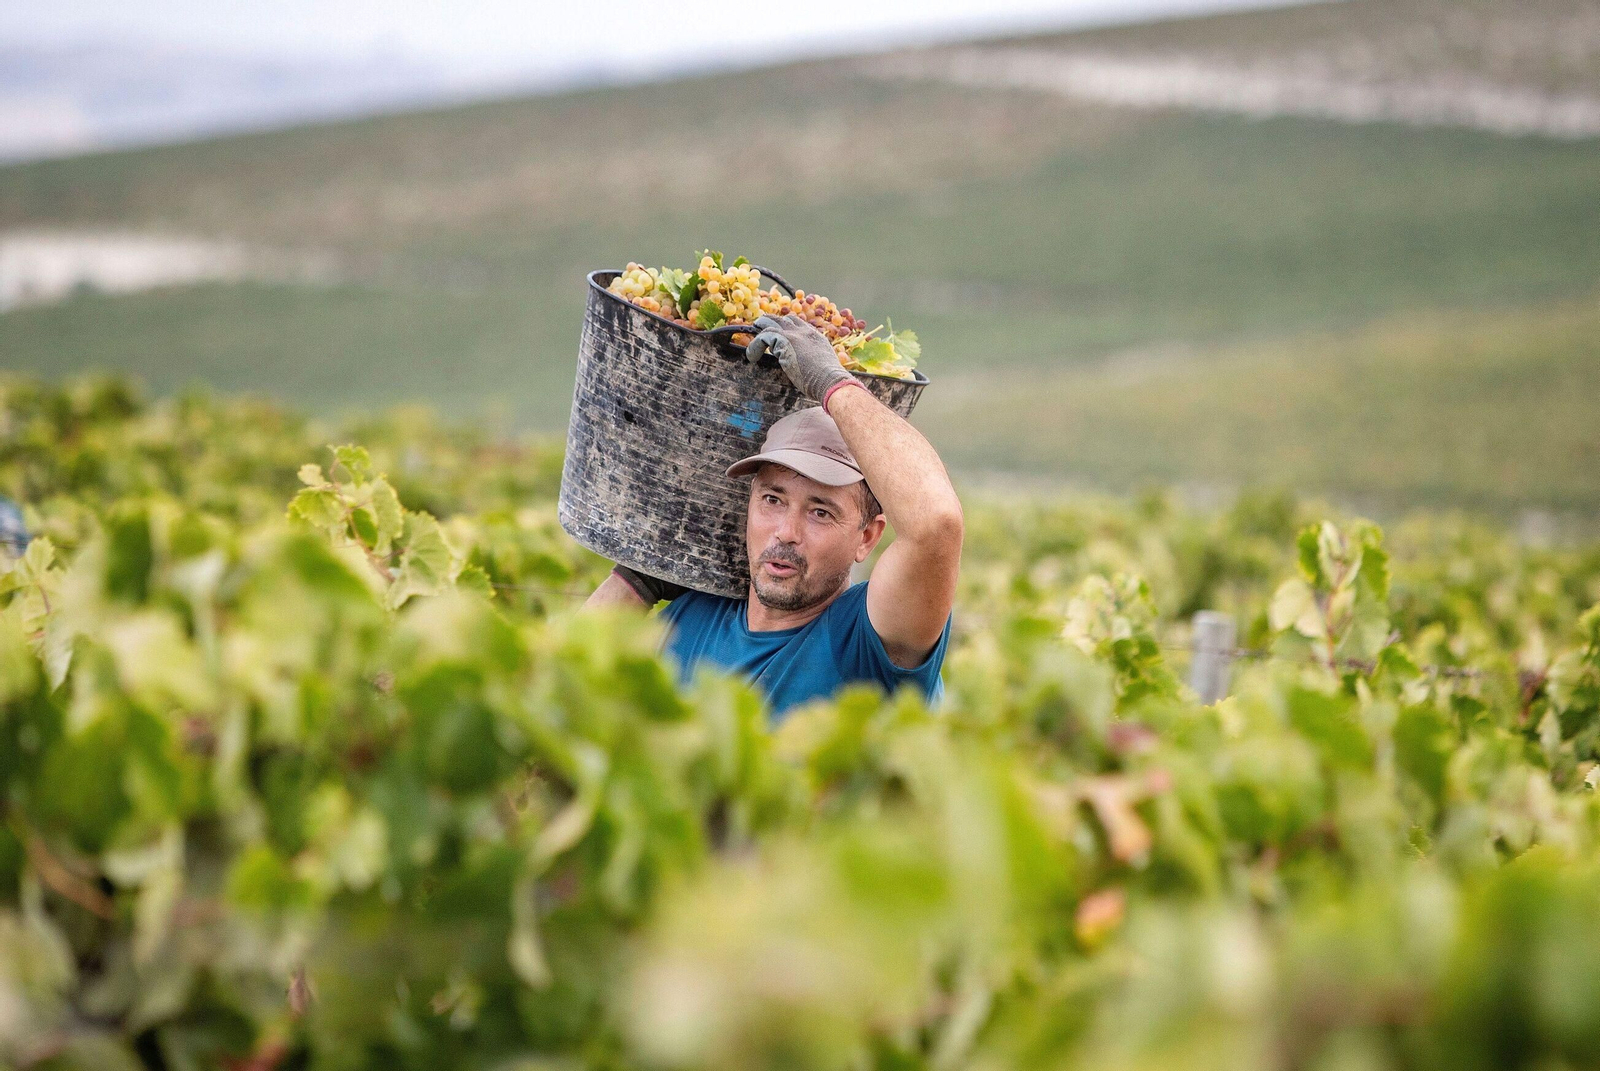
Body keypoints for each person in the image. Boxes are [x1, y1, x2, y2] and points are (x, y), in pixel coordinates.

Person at [582, 313, 963, 721]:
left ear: (867, 537)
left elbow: (936, 524)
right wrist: (638, 581)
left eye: (820, 511)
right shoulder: (691, 614)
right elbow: (565, 686)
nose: (785, 532)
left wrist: (831, 384)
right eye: (773, 500)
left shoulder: (867, 641)